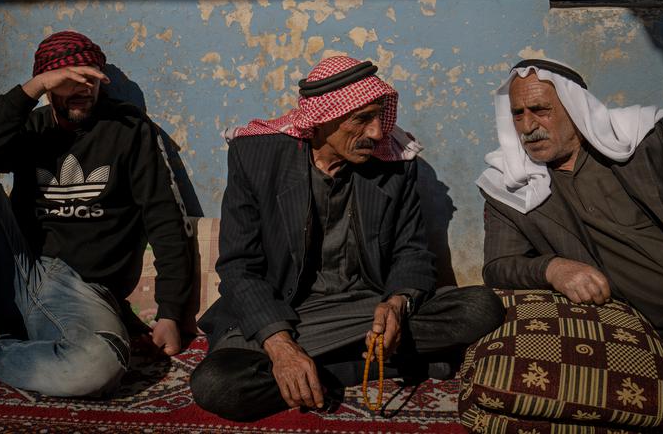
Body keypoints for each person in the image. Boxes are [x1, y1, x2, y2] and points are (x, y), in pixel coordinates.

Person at [0, 31, 194, 429]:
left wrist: (170, 312)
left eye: (90, 80)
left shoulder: (129, 130)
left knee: (96, 368)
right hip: (17, 273)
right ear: (49, 89)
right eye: (67, 83)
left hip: (81, 293)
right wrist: (32, 88)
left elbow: (165, 219)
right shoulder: (31, 128)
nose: (80, 91)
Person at [190, 56, 506, 422]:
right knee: (217, 384)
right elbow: (239, 266)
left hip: (365, 309)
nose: (376, 133)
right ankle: (368, 365)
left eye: (379, 117)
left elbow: (412, 253)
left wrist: (397, 305)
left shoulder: (395, 166)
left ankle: (324, 372)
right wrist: (280, 346)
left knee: (481, 307)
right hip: (288, 313)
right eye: (362, 119)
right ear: (323, 118)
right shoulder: (256, 157)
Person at [476, 58, 663, 433]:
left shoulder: (638, 144)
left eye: (540, 111)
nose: (527, 126)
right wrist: (553, 268)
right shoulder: (509, 187)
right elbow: (499, 265)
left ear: (576, 109)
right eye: (518, 114)